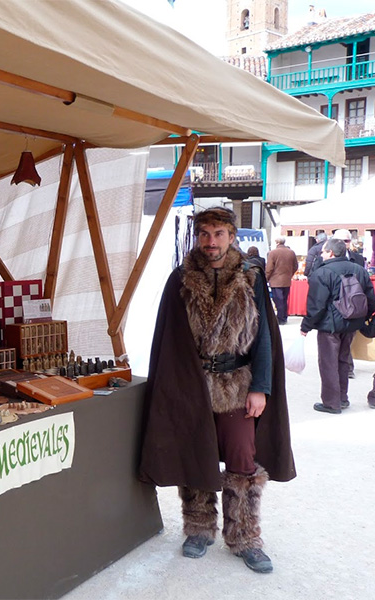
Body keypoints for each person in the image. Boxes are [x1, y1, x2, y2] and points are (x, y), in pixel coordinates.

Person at [140, 207, 295, 574]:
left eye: (219, 234)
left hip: (236, 383)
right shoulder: (181, 278)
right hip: (192, 384)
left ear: (232, 236)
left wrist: (260, 388)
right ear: (198, 237)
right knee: (196, 453)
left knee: (242, 457)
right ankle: (198, 529)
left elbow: (264, 338)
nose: (211, 241)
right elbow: (169, 338)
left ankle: (245, 537)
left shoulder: (250, 276)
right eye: (205, 234)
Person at [300, 238, 375, 413]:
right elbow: (370, 299)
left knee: (328, 363)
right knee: (343, 361)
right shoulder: (359, 270)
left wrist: (306, 326)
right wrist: (362, 319)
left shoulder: (322, 273)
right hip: (352, 323)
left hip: (330, 325)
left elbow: (317, 305)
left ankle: (331, 402)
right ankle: (342, 398)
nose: (321, 254)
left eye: (324, 251)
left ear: (331, 253)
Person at [331, 229, 366, 379]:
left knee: (348, 339)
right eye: (340, 240)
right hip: (333, 307)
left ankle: (347, 368)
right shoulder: (325, 256)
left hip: (352, 306)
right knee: (333, 342)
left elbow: (364, 282)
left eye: (346, 241)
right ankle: (337, 371)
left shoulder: (357, 259)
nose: (343, 243)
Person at [266, 237, 299, 325]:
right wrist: (290, 274)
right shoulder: (291, 252)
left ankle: (281, 318)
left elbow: (269, 268)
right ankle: (284, 317)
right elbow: (295, 266)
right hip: (287, 280)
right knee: (284, 299)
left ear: (277, 243)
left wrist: (266, 278)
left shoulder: (273, 253)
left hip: (275, 280)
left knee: (278, 300)